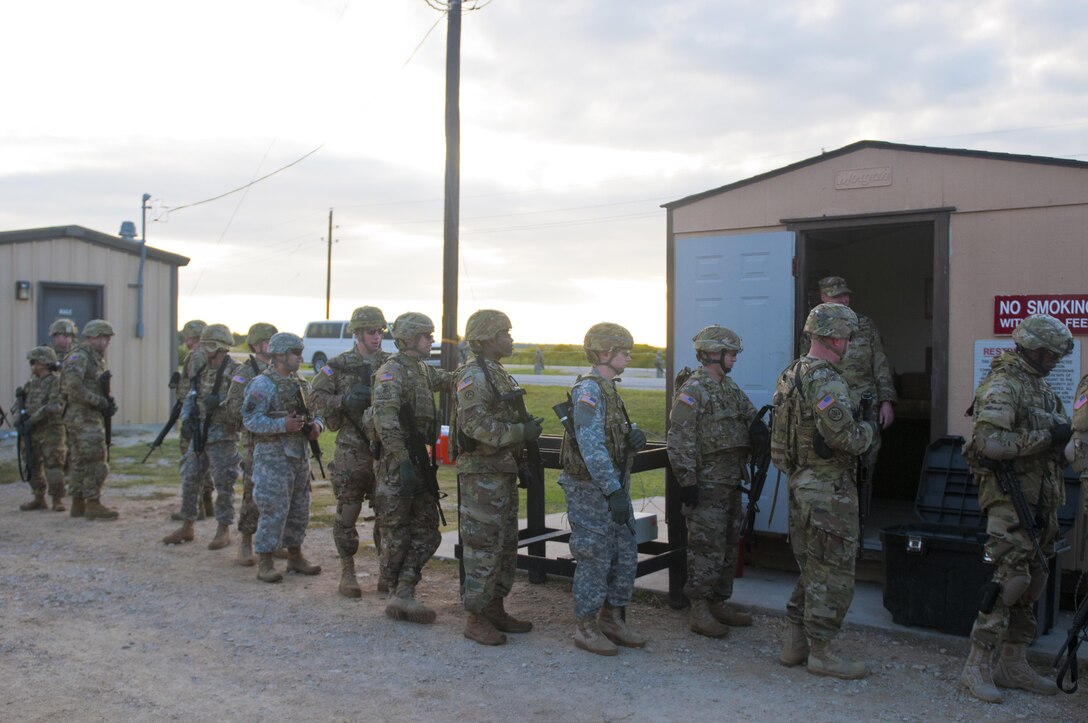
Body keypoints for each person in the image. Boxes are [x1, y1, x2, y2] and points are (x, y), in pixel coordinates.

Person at [959, 314, 1072, 703]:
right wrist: (1047, 437)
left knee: (1034, 581)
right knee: (1008, 583)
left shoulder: (1041, 388)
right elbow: (990, 443)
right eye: (1050, 353)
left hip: (1043, 502)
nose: (1055, 360)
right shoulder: (1005, 384)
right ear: (1032, 349)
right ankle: (976, 665)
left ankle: (1013, 662)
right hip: (1011, 504)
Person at [772, 303, 876, 678]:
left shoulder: (791, 374)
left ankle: (795, 642)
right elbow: (845, 437)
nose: (849, 344)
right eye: (847, 337)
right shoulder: (827, 380)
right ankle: (823, 652)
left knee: (813, 565)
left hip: (800, 483)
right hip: (828, 488)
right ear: (835, 337)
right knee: (833, 571)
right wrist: (868, 430)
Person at [559, 322, 649, 656]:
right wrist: (613, 491)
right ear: (603, 353)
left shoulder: (609, 388)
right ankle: (586, 626)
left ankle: (612, 619)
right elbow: (591, 444)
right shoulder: (590, 390)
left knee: (624, 554)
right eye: (623, 350)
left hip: (612, 486)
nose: (629, 355)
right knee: (594, 556)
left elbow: (610, 435)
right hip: (591, 490)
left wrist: (633, 436)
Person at [452, 310, 540, 645]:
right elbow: (475, 426)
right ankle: (475, 618)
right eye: (505, 332)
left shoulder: (497, 373)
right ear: (489, 338)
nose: (511, 338)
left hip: (502, 471)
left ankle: (495, 608)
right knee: (482, 546)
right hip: (482, 476)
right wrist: (521, 431)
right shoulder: (473, 376)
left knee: (504, 544)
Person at [667, 325, 758, 638]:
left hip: (730, 481)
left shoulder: (728, 388)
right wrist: (687, 479)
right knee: (706, 547)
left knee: (729, 544)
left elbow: (751, 415)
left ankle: (718, 602)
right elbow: (679, 436)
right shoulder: (694, 389)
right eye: (730, 353)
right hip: (706, 484)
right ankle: (699, 609)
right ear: (713, 354)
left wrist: (758, 432)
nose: (734, 359)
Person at [372, 312, 452, 623]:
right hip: (398, 463)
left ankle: (403, 589)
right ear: (408, 339)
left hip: (419, 462)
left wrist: (476, 369)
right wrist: (402, 461)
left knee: (428, 531)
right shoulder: (391, 372)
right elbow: (386, 419)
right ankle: (398, 591)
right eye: (427, 335)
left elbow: (446, 379)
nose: (432, 340)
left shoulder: (420, 370)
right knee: (396, 531)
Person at [310, 306, 392, 597]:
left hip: (383, 450)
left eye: (380, 331)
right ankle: (348, 571)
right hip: (351, 450)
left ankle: (386, 571)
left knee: (387, 512)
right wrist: (343, 400)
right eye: (371, 331)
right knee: (348, 510)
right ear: (357, 333)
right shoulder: (338, 364)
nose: (377, 337)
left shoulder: (390, 363)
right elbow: (314, 395)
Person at [243, 332, 324, 583]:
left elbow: (317, 414)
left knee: (300, 508)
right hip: (272, 457)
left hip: (299, 455)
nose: (300, 357)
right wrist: (282, 424)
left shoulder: (302, 384)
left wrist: (316, 427)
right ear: (279, 355)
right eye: (295, 352)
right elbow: (250, 419)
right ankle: (265, 560)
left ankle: (295, 555)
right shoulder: (261, 385)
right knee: (273, 507)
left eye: (301, 352)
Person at [807, 276, 897, 492]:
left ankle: (860, 516)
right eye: (837, 295)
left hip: (864, 405)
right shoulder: (815, 329)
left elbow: (880, 363)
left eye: (846, 294)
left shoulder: (864, 324)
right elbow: (808, 368)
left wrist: (886, 401)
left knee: (867, 462)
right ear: (824, 297)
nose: (844, 299)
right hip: (831, 404)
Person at [163, 324, 242, 549]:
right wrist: (186, 420)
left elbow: (241, 403)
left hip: (223, 436)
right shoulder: (202, 369)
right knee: (189, 478)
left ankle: (223, 529)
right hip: (200, 434)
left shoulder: (235, 371)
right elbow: (191, 395)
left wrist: (221, 402)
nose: (203, 349)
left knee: (224, 483)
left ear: (220, 347)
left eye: (208, 345)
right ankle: (188, 525)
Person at [225, 321, 278, 565]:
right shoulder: (245, 373)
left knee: (280, 494)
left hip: (280, 441)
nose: (271, 344)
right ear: (256, 344)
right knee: (252, 491)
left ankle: (274, 542)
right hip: (254, 441)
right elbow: (234, 407)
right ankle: (246, 542)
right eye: (267, 340)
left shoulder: (281, 369)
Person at [60, 318, 120, 520]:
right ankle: (92, 504)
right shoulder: (80, 357)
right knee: (95, 460)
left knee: (79, 461)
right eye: (106, 338)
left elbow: (93, 385)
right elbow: (73, 388)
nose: (108, 343)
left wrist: (107, 402)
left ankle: (78, 504)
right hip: (82, 417)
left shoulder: (94, 357)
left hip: (85, 416)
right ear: (95, 337)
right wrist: (98, 401)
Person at [172, 319, 214, 522]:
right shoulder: (207, 355)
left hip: (195, 414)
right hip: (201, 415)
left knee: (192, 460)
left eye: (188, 337)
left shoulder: (196, 356)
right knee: (202, 459)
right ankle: (206, 503)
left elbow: (195, 387)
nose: (187, 342)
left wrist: (189, 415)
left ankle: (195, 507)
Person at [16, 346, 67, 512]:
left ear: (44, 362)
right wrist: (20, 420)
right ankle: (38, 497)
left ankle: (57, 499)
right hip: (32, 431)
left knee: (53, 464)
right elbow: (23, 404)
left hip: (50, 429)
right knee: (31, 463)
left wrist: (33, 419)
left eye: (35, 361)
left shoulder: (56, 381)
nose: (32, 364)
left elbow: (54, 406)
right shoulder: (32, 382)